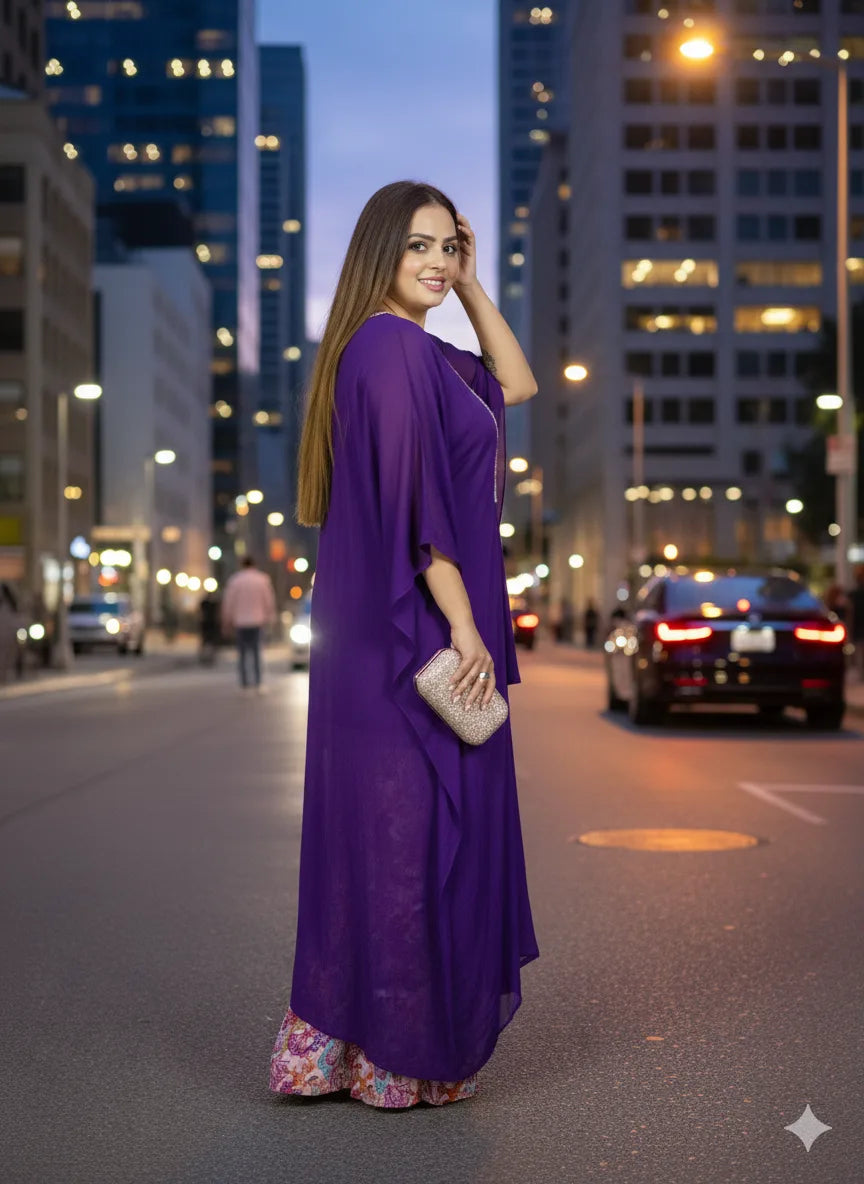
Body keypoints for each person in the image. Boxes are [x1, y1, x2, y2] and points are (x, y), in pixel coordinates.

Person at [268, 182, 540, 1110]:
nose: (433, 259)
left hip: (410, 622)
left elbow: (521, 381)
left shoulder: (416, 351)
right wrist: (464, 624)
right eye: (418, 245)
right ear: (379, 250)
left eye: (448, 245)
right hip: (414, 629)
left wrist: (467, 285)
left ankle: (356, 1048)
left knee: (400, 837)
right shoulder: (385, 347)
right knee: (406, 839)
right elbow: (419, 508)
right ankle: (387, 1051)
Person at [221, 556, 276, 691]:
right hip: (257, 621)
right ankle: (258, 682)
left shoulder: (235, 580)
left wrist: (227, 620)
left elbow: (229, 602)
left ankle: (244, 683)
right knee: (257, 653)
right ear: (254, 564)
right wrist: (270, 618)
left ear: (242, 565)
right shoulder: (262, 580)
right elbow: (268, 601)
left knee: (242, 654)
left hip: (240, 621)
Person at [849, 566, 864, 678]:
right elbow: (851, 613)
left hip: (858, 628)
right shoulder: (853, 594)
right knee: (859, 652)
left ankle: (861, 674)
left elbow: (851, 613)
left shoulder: (853, 595)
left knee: (859, 653)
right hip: (858, 628)